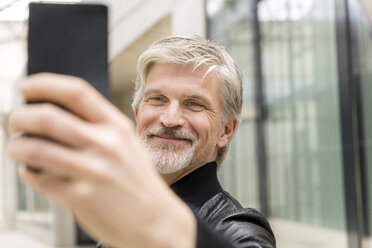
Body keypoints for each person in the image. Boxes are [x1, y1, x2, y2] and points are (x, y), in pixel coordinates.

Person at [6, 36, 276, 248]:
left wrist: (159, 224)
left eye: (194, 104)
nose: (170, 119)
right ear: (137, 114)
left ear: (225, 131)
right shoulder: (118, 215)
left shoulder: (237, 226)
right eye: (157, 99)